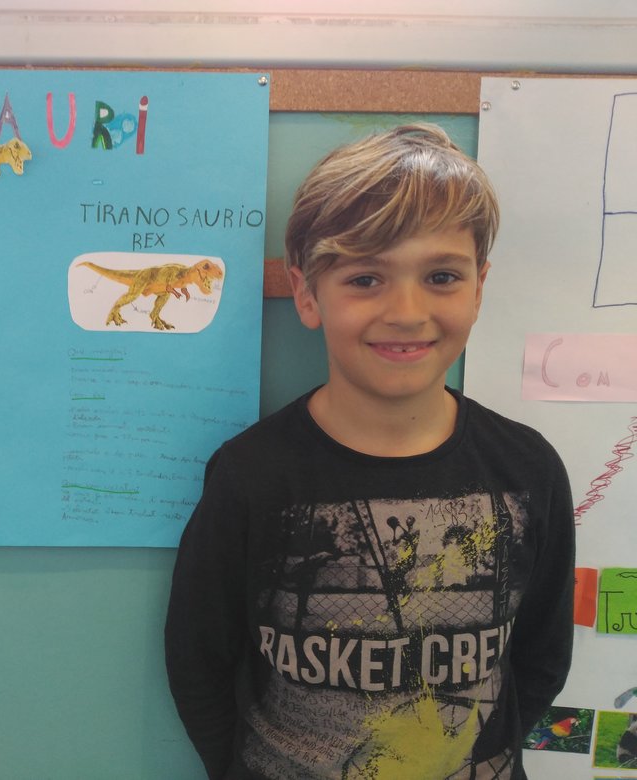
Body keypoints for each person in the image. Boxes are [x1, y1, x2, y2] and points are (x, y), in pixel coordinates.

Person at [164, 124, 574, 780]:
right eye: (365, 278)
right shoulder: (251, 474)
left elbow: (541, 657)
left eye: (441, 276)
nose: (407, 311)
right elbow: (199, 661)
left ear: (478, 287)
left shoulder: (529, 469)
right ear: (307, 293)